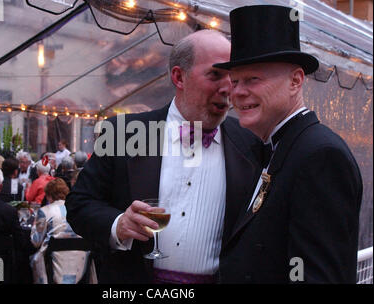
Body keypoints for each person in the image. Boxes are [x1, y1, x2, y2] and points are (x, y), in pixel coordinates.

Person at [65, 29, 262, 283]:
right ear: (179, 77)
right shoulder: (124, 133)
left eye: (232, 77)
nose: (227, 88)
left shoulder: (251, 143)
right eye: (215, 74)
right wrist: (118, 225)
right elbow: (79, 205)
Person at [213, 5, 362, 284]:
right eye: (235, 81)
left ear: (295, 81)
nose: (238, 92)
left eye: (252, 79)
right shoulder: (277, 147)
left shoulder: (320, 156)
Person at [30, 178, 92, 284]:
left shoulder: (45, 211)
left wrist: (34, 226)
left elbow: (36, 242)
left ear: (49, 195)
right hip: (80, 265)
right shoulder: (78, 210)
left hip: (53, 266)